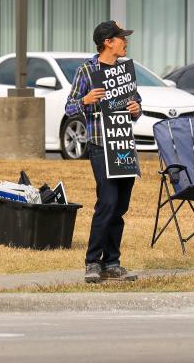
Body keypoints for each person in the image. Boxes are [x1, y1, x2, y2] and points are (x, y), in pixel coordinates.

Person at [65, 20, 143, 283]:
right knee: (107, 203)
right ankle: (92, 262)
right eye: (122, 38)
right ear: (108, 42)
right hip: (101, 144)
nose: (126, 42)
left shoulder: (124, 72)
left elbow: (136, 105)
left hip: (124, 145)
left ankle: (112, 262)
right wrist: (86, 100)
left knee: (120, 206)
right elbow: (69, 107)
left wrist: (136, 110)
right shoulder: (87, 71)